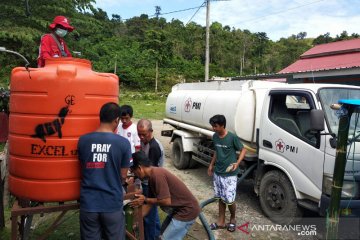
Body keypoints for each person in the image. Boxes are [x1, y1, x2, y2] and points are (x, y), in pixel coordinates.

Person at [77, 102, 132, 240]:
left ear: (100, 117)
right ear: (116, 120)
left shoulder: (83, 141)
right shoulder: (123, 143)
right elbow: (123, 175)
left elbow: (83, 165)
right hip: (111, 203)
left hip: (89, 203)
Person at [129, 151, 200, 240]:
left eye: (134, 172)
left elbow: (166, 201)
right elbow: (149, 205)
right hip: (177, 210)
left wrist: (145, 199)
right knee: (161, 236)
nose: (136, 176)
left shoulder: (157, 175)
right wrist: (136, 221)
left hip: (187, 211)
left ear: (139, 168)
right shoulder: (151, 178)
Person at [207, 114, 246, 232]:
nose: (213, 128)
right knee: (220, 198)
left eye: (216, 126)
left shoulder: (232, 137)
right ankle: (221, 222)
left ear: (223, 125)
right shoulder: (215, 136)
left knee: (230, 200)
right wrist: (211, 165)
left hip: (229, 174)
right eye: (212, 126)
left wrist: (237, 163)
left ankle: (233, 219)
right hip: (218, 173)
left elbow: (243, 149)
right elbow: (217, 151)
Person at [137, 119, 164, 239]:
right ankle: (157, 235)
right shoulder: (144, 142)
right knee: (153, 214)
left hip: (152, 184)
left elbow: (150, 172)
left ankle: (150, 237)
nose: (141, 137)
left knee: (148, 216)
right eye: (139, 134)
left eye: (144, 134)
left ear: (151, 131)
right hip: (147, 182)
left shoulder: (154, 147)